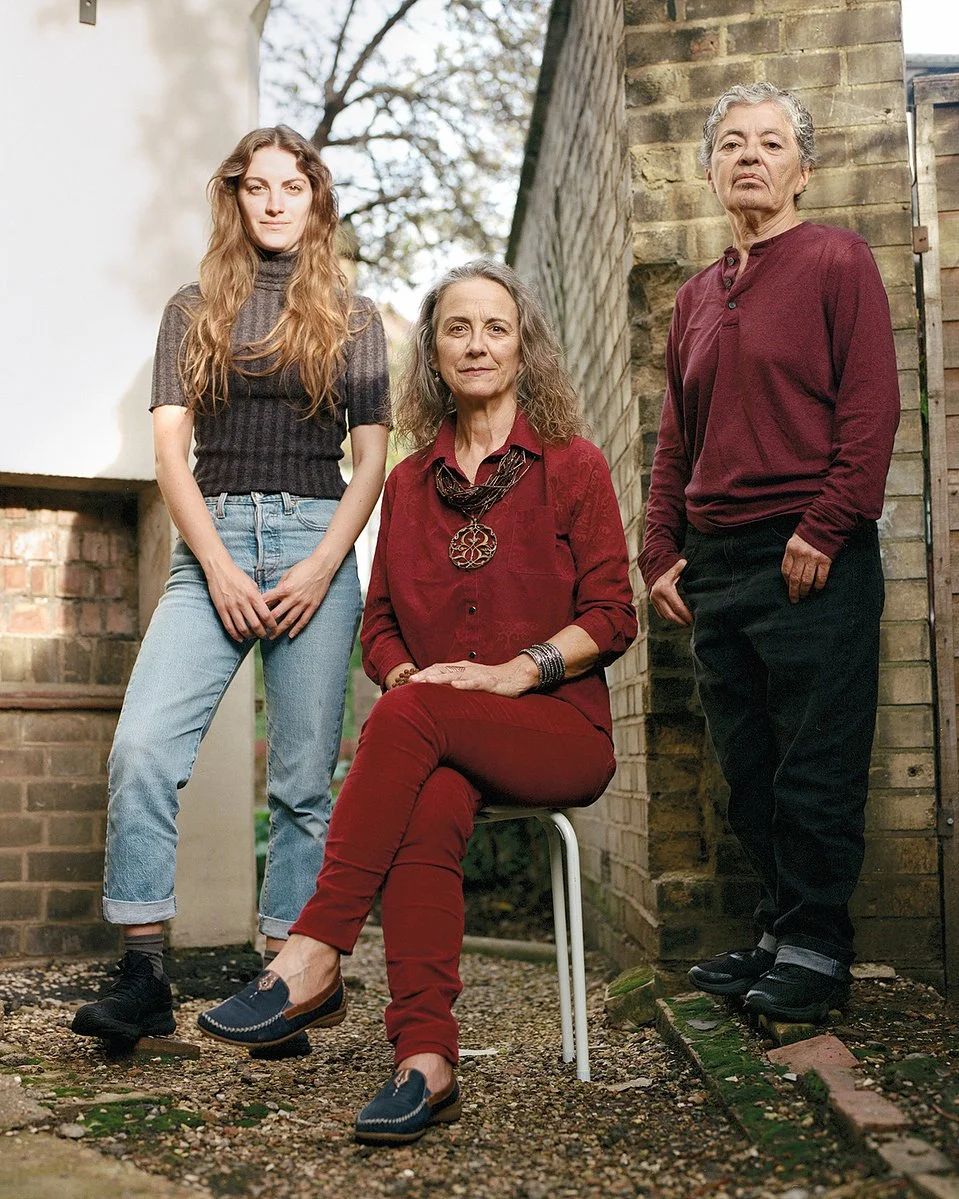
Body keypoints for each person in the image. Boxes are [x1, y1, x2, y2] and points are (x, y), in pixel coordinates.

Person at [197, 259, 637, 1142]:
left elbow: (612, 615)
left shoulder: (573, 466)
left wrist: (514, 670)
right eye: (456, 328)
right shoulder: (403, 486)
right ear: (432, 354)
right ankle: (426, 1061)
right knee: (427, 797)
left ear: (523, 350)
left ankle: (314, 951)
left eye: (495, 328)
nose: (476, 343)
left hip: (557, 729)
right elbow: (384, 628)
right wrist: (410, 681)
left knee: (412, 719)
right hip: (437, 737)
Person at [72, 126, 390, 1056]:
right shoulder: (191, 306)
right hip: (211, 539)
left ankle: (281, 984)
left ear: (315, 198)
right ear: (237, 197)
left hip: (312, 545)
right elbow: (170, 450)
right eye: (259, 186)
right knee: (139, 750)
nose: (276, 201)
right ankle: (142, 976)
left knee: (301, 782)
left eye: (294, 185)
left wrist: (324, 561)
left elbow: (369, 459)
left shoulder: (354, 315)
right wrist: (211, 561)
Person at [639, 83, 900, 1023]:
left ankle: (817, 949)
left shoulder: (838, 259)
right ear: (710, 169)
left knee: (814, 765)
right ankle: (778, 927)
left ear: (803, 168)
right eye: (733, 144)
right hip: (716, 563)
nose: (750, 156)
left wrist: (824, 527)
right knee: (747, 765)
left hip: (810, 555)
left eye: (771, 142)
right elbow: (678, 436)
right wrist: (658, 548)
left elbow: (870, 411)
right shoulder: (694, 298)